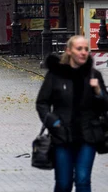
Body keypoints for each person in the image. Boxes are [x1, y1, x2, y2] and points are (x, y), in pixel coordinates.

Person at [36, 36, 108, 192]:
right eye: (79, 49)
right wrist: (53, 122)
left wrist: (98, 92)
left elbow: (105, 105)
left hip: (88, 135)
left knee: (83, 180)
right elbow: (42, 103)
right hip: (62, 136)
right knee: (64, 183)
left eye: (86, 49)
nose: (83, 53)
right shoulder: (55, 75)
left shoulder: (94, 75)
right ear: (69, 51)